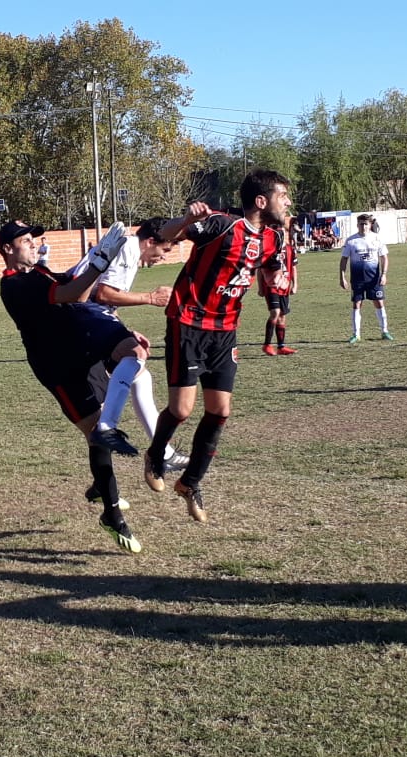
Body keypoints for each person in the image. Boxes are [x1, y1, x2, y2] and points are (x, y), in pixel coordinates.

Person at [145, 169, 292, 522]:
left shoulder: (274, 238)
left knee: (220, 410)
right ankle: (154, 455)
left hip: (225, 329)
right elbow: (165, 235)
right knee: (181, 410)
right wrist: (186, 219)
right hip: (188, 322)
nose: (288, 202)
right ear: (261, 201)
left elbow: (270, 271)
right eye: (283, 196)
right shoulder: (222, 225)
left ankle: (190, 482)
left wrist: (276, 283)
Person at [0, 218, 145, 553]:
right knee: (98, 430)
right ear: (7, 249)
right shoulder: (14, 285)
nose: (34, 244)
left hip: (83, 350)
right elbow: (74, 293)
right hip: (59, 367)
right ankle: (112, 516)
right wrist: (99, 262)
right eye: (25, 241)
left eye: (33, 239)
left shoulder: (38, 272)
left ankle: (100, 486)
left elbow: (81, 290)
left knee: (104, 424)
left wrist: (96, 259)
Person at [72, 217, 190, 507]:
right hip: (77, 318)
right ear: (150, 241)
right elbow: (102, 294)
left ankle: (158, 453)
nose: (163, 257)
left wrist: (123, 330)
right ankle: (110, 429)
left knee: (139, 372)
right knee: (134, 356)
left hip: (85, 317)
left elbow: (104, 300)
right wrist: (150, 297)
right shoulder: (127, 247)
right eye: (164, 250)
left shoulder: (129, 250)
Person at [340, 213, 393, 343]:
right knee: (357, 304)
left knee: (379, 302)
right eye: (361, 224)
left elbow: (384, 257)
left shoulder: (377, 238)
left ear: (370, 225)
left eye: (365, 224)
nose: (363, 226)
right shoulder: (351, 241)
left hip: (374, 279)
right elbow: (344, 259)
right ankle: (356, 334)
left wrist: (384, 274)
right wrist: (342, 277)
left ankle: (385, 331)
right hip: (357, 279)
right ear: (357, 225)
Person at [259, 217, 299, 356]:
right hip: (271, 286)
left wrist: (295, 284)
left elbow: (293, 267)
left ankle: (281, 346)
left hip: (285, 286)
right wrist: (260, 288)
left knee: (282, 316)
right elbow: (260, 269)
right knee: (275, 313)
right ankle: (267, 345)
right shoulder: (268, 249)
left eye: (283, 232)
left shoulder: (289, 249)